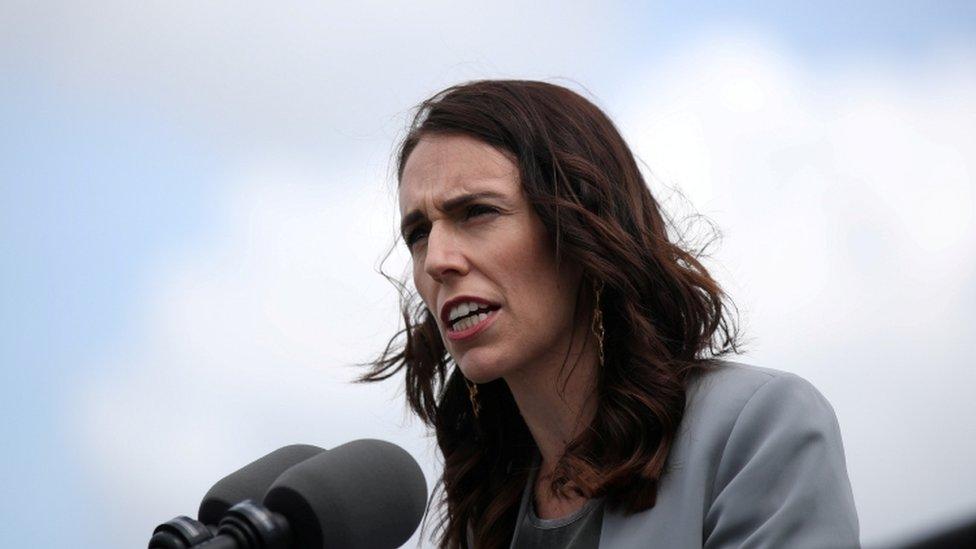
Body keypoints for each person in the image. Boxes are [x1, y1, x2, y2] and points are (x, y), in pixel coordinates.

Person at [361, 80, 859, 548]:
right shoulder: (486, 511)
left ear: (583, 228)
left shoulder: (757, 426)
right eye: (418, 233)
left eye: (477, 212)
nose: (438, 260)